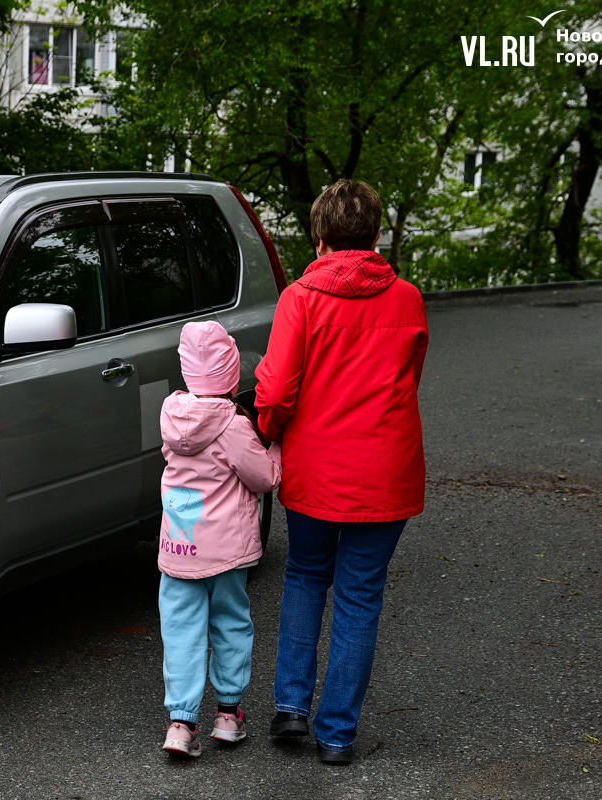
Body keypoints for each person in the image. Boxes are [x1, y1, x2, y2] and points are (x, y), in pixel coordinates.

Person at [255, 179, 429, 765]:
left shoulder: (300, 298)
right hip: (386, 470)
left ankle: (290, 708)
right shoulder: (406, 298)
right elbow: (410, 378)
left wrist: (267, 433)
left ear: (319, 235)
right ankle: (336, 734)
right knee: (360, 596)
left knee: (305, 576)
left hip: (315, 469)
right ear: (375, 234)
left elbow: (276, 389)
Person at [158, 320, 282, 758]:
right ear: (232, 375)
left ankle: (180, 723)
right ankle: (228, 715)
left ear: (187, 372)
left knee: (180, 631)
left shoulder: (171, 414)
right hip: (225, 552)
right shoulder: (232, 426)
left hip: (180, 548)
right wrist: (277, 449)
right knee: (229, 623)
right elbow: (264, 478)